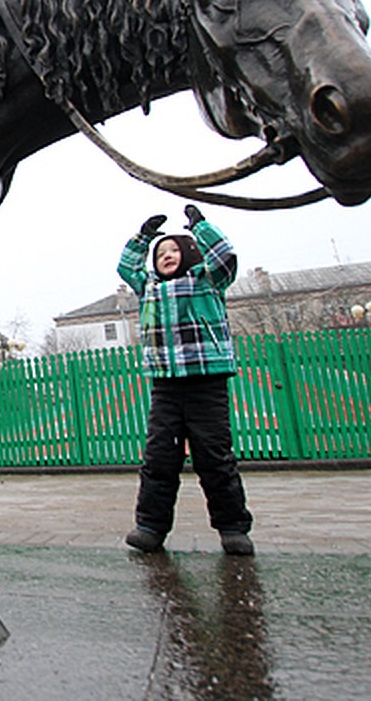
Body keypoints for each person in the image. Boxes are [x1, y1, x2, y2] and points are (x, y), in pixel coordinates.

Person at [117, 204, 254, 556]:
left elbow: (226, 258)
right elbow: (126, 267)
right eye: (161, 253)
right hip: (166, 385)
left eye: (174, 249)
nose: (166, 256)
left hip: (206, 382)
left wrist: (201, 228)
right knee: (159, 458)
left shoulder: (207, 280)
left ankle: (233, 528)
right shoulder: (148, 287)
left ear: (190, 252)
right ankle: (149, 527)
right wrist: (143, 237)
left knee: (214, 457)